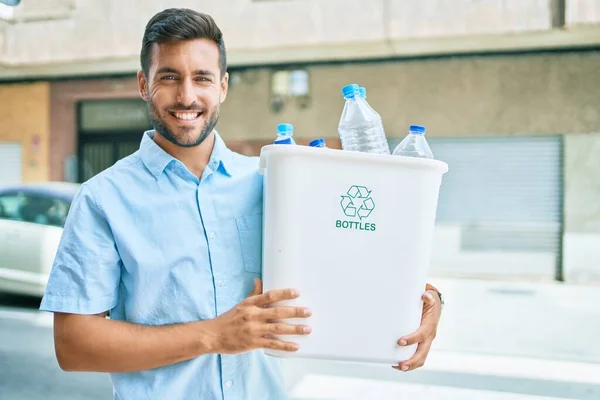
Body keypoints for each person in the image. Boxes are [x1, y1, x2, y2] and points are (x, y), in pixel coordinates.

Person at [40, 8, 444, 400]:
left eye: (202, 78)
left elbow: (353, 258)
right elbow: (75, 344)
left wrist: (428, 301)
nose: (187, 95)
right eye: (169, 77)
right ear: (144, 85)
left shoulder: (276, 180)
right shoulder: (103, 199)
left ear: (223, 86)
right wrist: (214, 335)